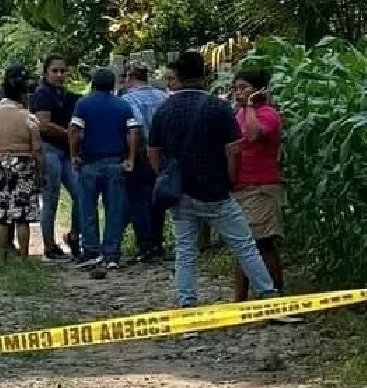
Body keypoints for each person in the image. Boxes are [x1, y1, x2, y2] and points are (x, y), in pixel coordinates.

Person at [148, 51, 277, 307]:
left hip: (180, 192)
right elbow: (233, 151)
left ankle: (187, 303)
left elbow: (153, 152)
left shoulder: (164, 109)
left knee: (185, 251)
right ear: (204, 75)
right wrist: (229, 181)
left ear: (179, 76)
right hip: (215, 190)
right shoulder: (218, 108)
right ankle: (268, 296)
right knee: (244, 245)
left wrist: (164, 177)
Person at [0, 63, 44, 261]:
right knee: (22, 215)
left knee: (1, 212)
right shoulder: (28, 118)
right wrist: (41, 172)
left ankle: (2, 254)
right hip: (23, 165)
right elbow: (37, 148)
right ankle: (23, 256)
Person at [69, 68, 138, 271]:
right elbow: (132, 131)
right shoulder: (123, 105)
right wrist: (130, 158)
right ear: (113, 85)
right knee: (115, 210)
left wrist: (74, 155)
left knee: (87, 208)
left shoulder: (83, 104)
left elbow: (74, 130)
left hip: (89, 163)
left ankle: (91, 250)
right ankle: (112, 254)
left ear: (93, 84)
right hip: (115, 162)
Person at [231, 69, 289, 300]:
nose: (239, 92)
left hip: (261, 187)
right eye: (236, 88)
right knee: (244, 247)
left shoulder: (267, 114)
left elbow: (254, 136)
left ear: (259, 90)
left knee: (262, 244)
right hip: (242, 186)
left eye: (244, 87)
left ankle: (275, 294)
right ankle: (241, 300)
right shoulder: (240, 114)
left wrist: (252, 106)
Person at [31, 54, 82, 261]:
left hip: (68, 152)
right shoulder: (42, 95)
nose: (59, 75)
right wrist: (69, 134)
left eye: (63, 70)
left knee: (80, 194)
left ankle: (74, 236)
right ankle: (49, 245)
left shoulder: (68, 96)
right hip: (49, 149)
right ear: (46, 72)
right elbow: (43, 125)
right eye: (55, 71)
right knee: (51, 198)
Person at [121, 61, 169, 263]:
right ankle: (158, 243)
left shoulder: (129, 99)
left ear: (130, 78)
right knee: (157, 199)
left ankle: (146, 245)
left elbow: (136, 127)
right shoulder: (163, 96)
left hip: (141, 154)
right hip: (165, 153)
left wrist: (133, 154)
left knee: (138, 201)